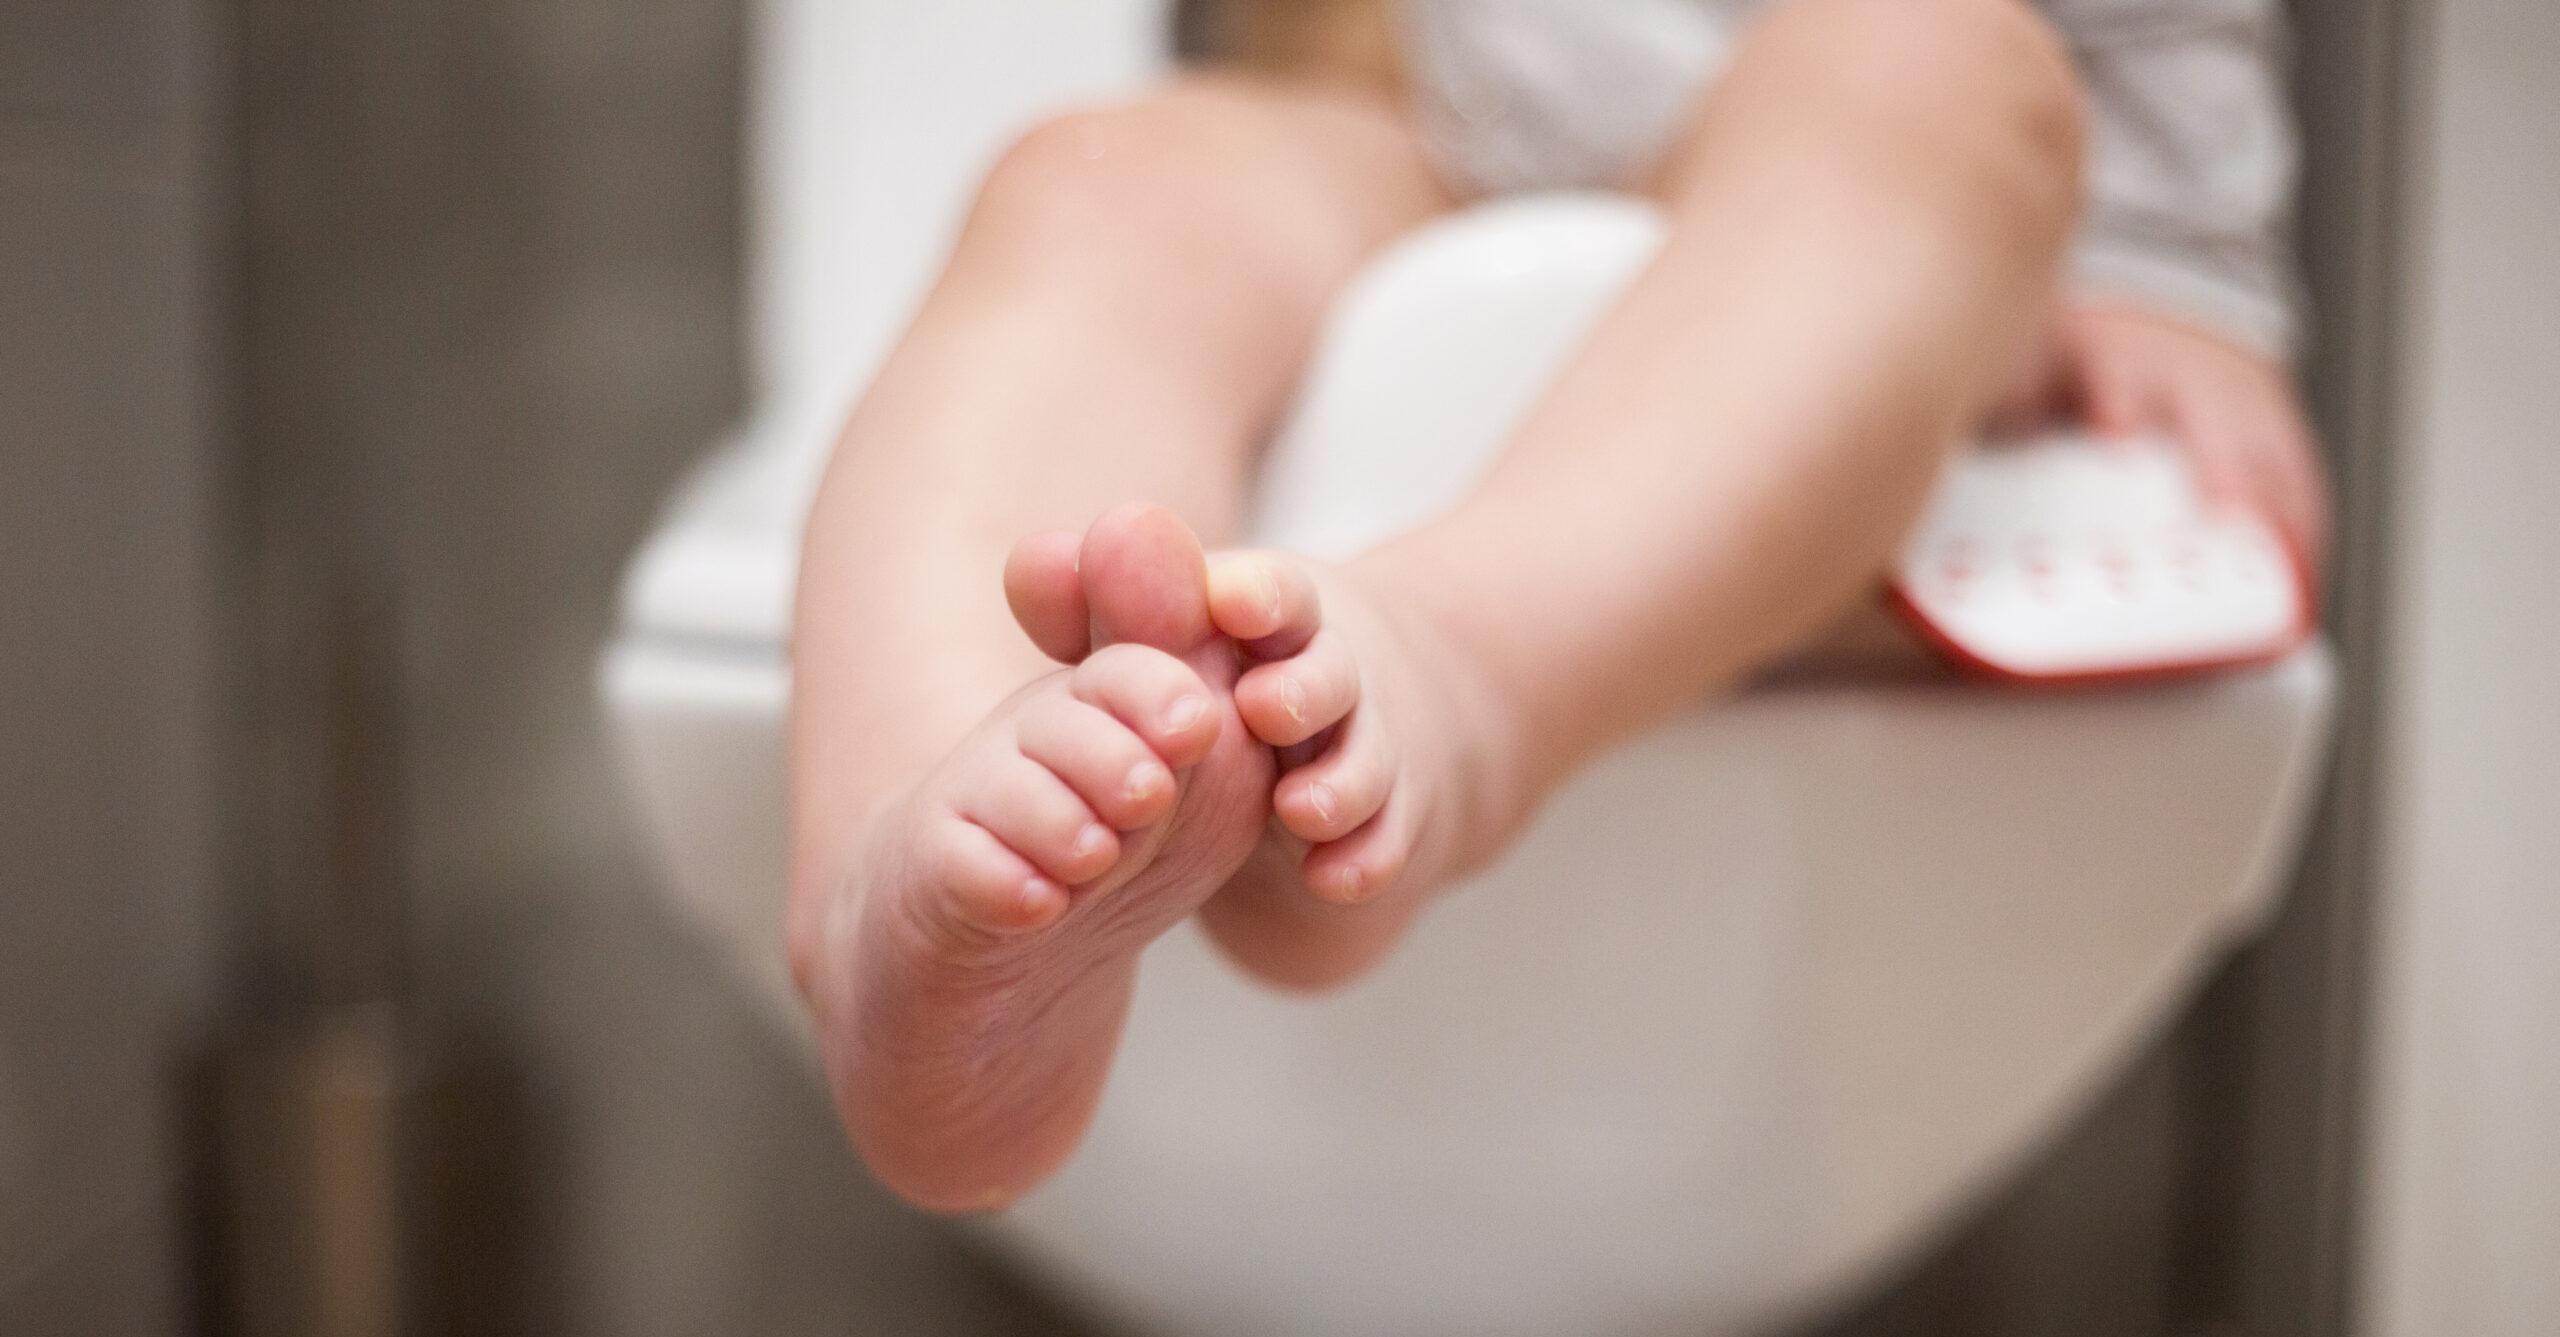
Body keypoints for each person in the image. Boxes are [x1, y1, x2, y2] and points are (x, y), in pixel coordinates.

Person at [785, 0, 2328, 1211]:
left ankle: (1454, 676)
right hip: (1424, 125)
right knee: (1096, 184)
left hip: (1862, 204)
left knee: (1936, 68)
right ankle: (896, 880)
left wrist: (2171, 259)